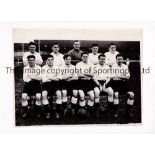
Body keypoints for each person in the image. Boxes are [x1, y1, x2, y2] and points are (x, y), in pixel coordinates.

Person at [107, 54, 134, 118]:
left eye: (121, 59)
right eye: (118, 59)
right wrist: (123, 77)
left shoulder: (125, 66)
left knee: (132, 95)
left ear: (122, 59)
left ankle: (128, 112)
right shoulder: (113, 66)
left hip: (123, 83)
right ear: (116, 60)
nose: (120, 60)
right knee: (116, 94)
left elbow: (127, 77)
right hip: (115, 83)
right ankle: (115, 111)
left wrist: (119, 76)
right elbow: (113, 78)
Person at [42, 54, 62, 119]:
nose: (50, 61)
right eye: (48, 60)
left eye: (51, 60)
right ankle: (47, 112)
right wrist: (54, 77)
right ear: (46, 61)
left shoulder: (57, 67)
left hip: (55, 84)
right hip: (46, 84)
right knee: (44, 94)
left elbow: (59, 78)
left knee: (59, 94)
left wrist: (49, 77)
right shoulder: (43, 68)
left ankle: (57, 112)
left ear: (53, 60)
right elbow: (44, 80)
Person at [76, 52, 96, 117]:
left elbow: (92, 74)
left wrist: (83, 73)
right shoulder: (78, 64)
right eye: (83, 57)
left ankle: (88, 110)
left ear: (88, 57)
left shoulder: (91, 64)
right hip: (80, 82)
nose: (85, 58)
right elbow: (78, 75)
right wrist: (87, 75)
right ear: (81, 57)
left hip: (89, 83)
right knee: (82, 96)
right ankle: (82, 110)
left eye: (86, 56)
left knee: (92, 96)